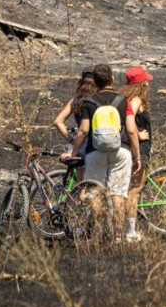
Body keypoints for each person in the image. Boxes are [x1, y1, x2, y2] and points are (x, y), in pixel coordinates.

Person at [66, 64, 141, 239]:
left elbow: (83, 131)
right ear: (112, 79)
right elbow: (131, 130)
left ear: (96, 82)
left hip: (95, 151)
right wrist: (136, 156)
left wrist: (74, 152)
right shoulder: (124, 101)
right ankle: (118, 236)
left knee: (95, 192)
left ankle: (97, 234)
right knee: (118, 194)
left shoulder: (89, 102)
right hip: (120, 151)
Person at [119, 66, 154, 242]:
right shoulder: (136, 100)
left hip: (135, 149)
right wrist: (138, 134)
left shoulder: (126, 99)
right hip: (138, 150)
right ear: (141, 84)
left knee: (131, 190)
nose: (148, 83)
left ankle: (128, 229)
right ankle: (130, 231)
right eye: (146, 81)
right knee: (135, 191)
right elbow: (129, 120)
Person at [52, 70, 98, 144]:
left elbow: (57, 122)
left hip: (82, 144)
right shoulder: (99, 100)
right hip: (98, 143)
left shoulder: (75, 101)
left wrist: (72, 141)